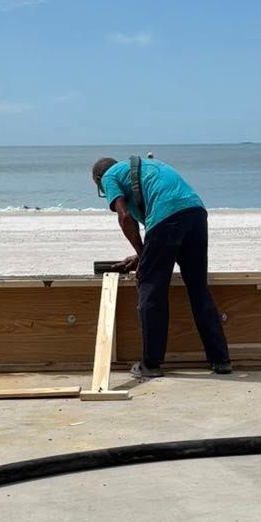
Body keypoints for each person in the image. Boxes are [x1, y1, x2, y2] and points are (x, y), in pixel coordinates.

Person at [92, 153, 232, 379]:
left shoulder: (108, 176)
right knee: (198, 287)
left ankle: (151, 364)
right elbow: (165, 234)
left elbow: (125, 218)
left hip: (167, 217)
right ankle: (221, 360)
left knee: (151, 287)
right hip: (195, 212)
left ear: (98, 179)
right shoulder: (144, 167)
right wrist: (143, 255)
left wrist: (142, 256)